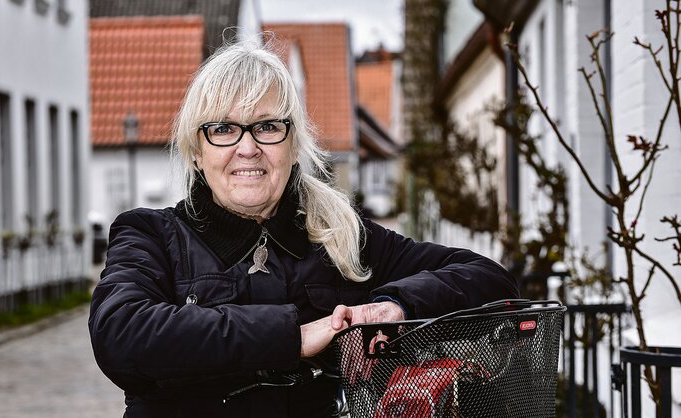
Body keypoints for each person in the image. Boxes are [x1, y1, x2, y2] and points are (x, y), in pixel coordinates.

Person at [88, 40, 518, 418]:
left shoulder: (341, 238)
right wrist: (291, 337)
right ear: (195, 151)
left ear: (293, 146)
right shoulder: (150, 235)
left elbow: (490, 279)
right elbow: (120, 333)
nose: (248, 147)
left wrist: (395, 307)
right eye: (222, 129)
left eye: (268, 126)